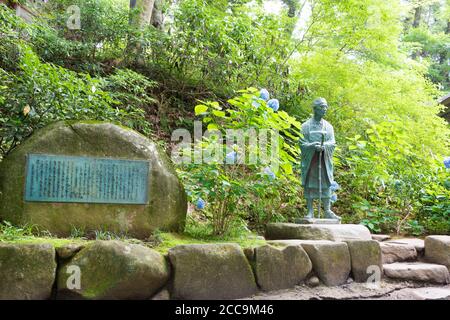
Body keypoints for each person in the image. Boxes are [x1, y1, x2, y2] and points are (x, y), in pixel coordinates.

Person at [300, 98, 340, 220]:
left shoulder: (329, 127)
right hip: (311, 161)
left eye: (326, 107)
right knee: (310, 184)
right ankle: (310, 211)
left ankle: (327, 210)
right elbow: (302, 143)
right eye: (322, 107)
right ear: (315, 108)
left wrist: (324, 147)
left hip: (324, 161)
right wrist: (313, 146)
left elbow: (332, 143)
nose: (325, 109)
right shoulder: (305, 126)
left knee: (326, 183)